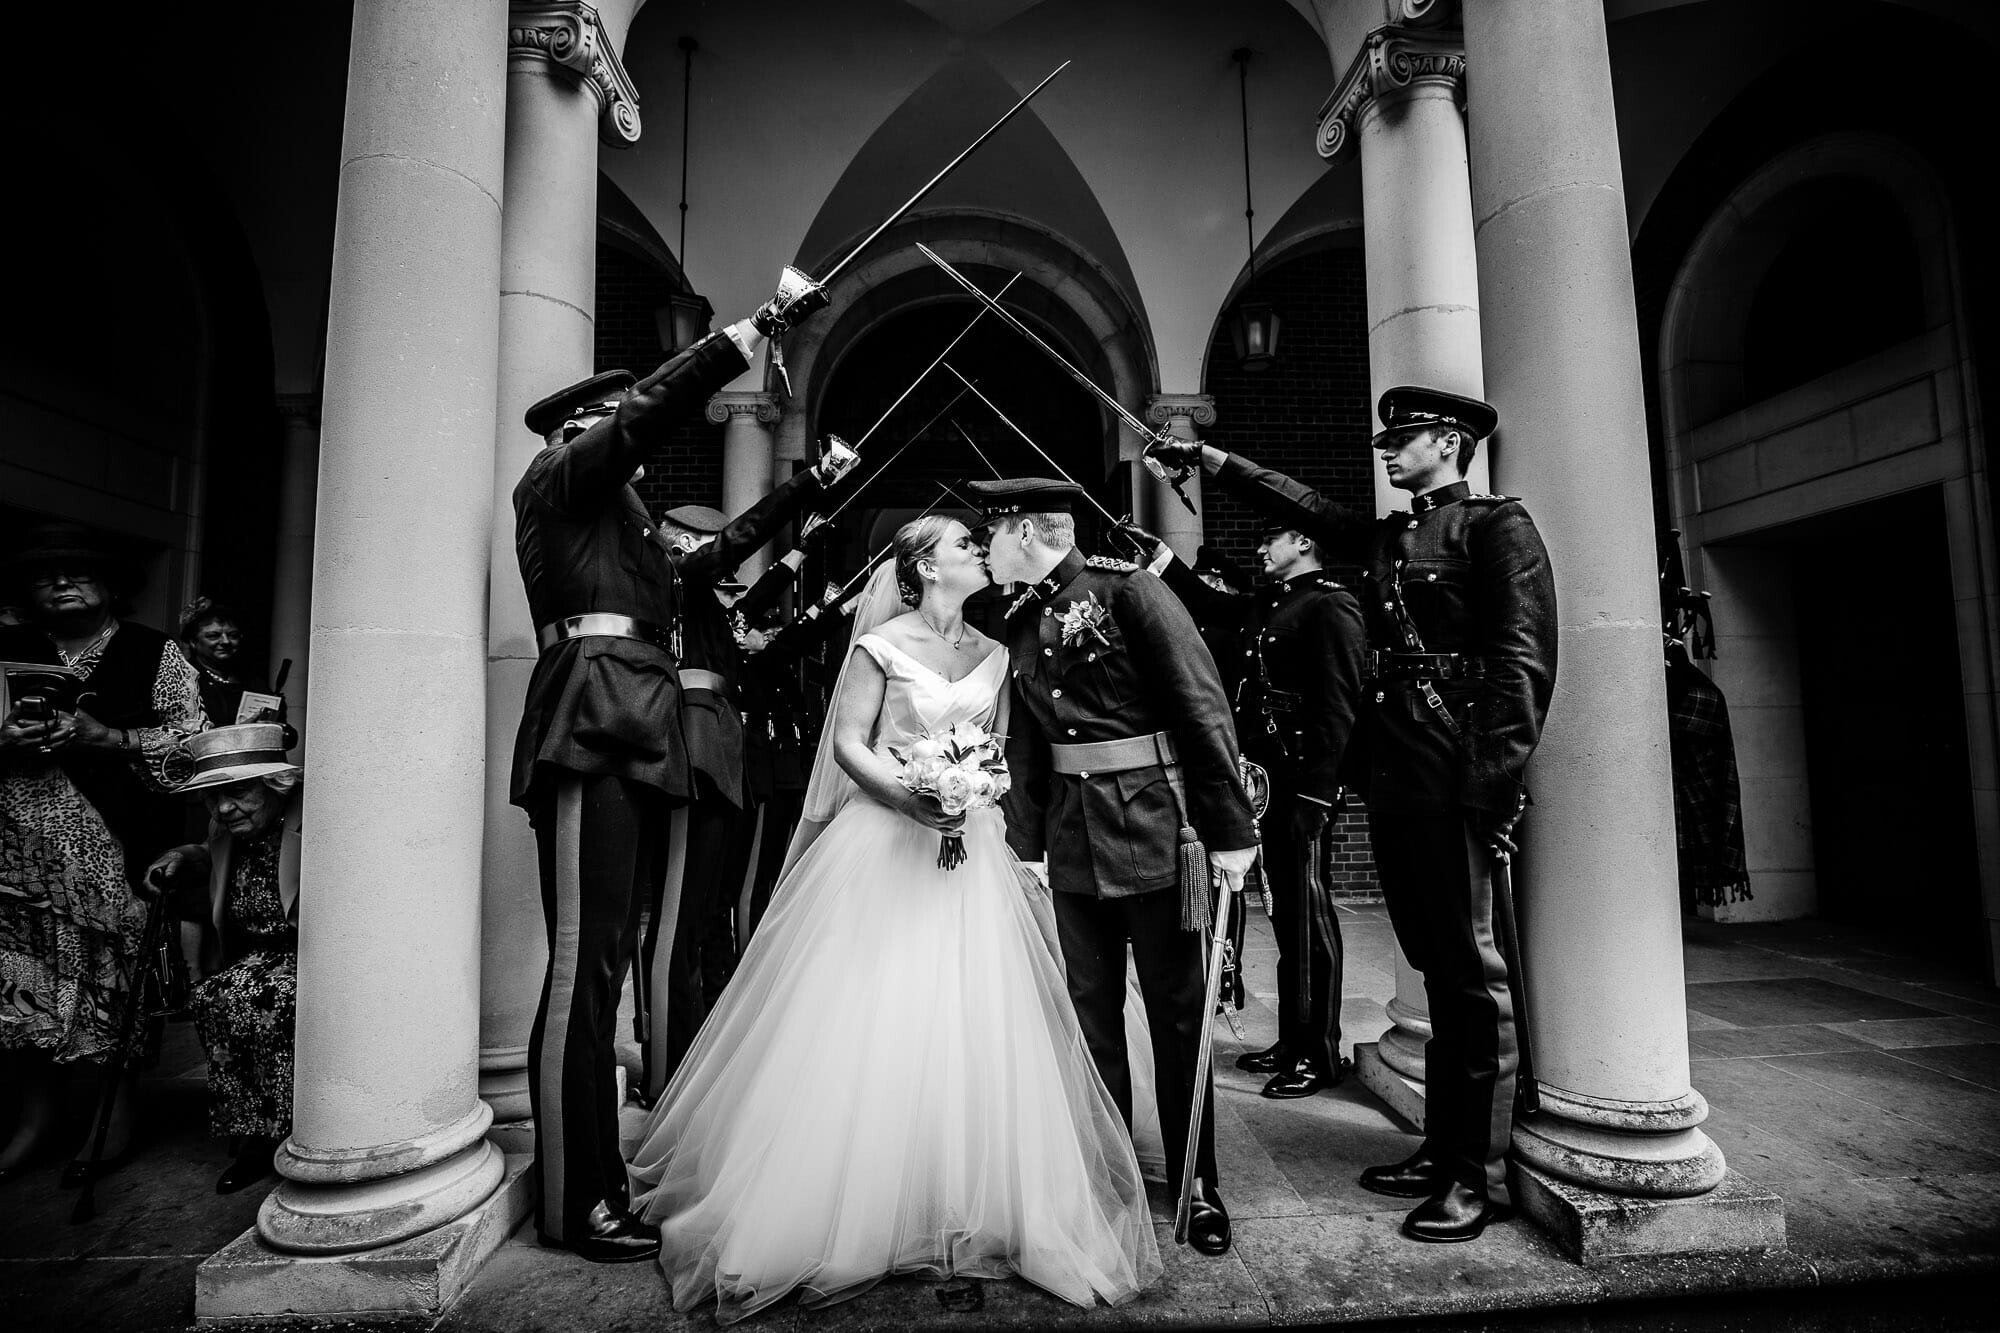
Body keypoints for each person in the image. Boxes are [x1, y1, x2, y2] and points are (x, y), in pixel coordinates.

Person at [628, 517, 1159, 1321]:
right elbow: (849, 745)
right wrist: (914, 798)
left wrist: (974, 794)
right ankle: (850, 1205)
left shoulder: (995, 651)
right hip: (883, 843)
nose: (980, 553)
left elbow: (1001, 749)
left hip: (970, 852)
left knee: (974, 1017)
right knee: (874, 1010)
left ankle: (966, 1195)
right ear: (921, 565)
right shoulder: (879, 646)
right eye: (963, 546)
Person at [1144, 385, 1557, 1243]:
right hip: (1398, 772)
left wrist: (1494, 789)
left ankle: (1474, 1174)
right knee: (1436, 966)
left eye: (1401, 438)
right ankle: (1440, 1145)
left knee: (1473, 976)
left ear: (1448, 441)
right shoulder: (1393, 536)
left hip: (1455, 770)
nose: (1386, 448)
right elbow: (1302, 504)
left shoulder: (1496, 527)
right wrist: (1213, 461)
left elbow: (1521, 667)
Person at [507, 271, 829, 1263]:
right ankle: (571, 1198)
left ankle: (604, 1174)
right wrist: (738, 342)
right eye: (616, 422)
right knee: (584, 966)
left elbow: (718, 554)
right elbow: (641, 423)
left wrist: (809, 491)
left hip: (637, 722)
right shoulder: (561, 475)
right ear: (588, 426)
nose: (629, 442)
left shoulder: (631, 527)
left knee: (607, 961)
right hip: (588, 717)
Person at [976, 478, 1260, 1257]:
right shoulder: (1025, 617)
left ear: (1030, 530)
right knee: (1090, 1014)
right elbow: (1031, 741)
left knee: (1177, 1012)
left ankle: (1198, 1180)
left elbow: (1200, 705)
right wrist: (1026, 842)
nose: (985, 544)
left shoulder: (1129, 591)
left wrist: (1230, 827)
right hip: (1072, 839)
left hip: (1154, 827)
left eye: (991, 531)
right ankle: (1112, 1174)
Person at [1116, 515, 1366, 1100]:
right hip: (1260, 778)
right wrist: (1158, 557)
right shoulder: (1270, 602)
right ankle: (1291, 1039)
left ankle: (1318, 1052)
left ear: (1303, 541)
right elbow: (1207, 602)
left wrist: (1316, 792)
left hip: (1298, 781)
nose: (1260, 547)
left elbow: (1339, 707)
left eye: (1269, 538)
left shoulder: (1331, 607)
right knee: (1279, 914)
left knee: (1305, 915)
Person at [0, 523, 205, 1184]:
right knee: (21, 991)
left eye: (78, 572)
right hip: (15, 863)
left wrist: (110, 736)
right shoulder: (8, 650)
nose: (61, 582)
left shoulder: (156, 652)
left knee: (110, 987)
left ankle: (109, 1115)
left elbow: (193, 745)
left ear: (111, 586)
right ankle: (34, 1120)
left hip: (114, 855)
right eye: (45, 574)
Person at [641, 482, 851, 1104]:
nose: (726, 568)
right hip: (697, 759)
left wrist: (804, 564)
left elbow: (758, 614)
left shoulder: (703, 601)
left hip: (723, 763)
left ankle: (701, 1044)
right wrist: (804, 506)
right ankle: (667, 1070)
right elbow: (750, 598)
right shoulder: (675, 575)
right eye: (713, 550)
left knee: (705, 918)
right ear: (682, 544)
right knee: (682, 923)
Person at [143, 723, 302, 1194]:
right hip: (256, 952)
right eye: (212, 797)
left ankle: (294, 1128)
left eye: (237, 794)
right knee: (214, 995)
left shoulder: (313, 822)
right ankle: (254, 1131)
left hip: (310, 953)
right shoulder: (227, 825)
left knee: (259, 998)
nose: (223, 808)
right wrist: (182, 855)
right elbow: (212, 855)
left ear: (275, 784)